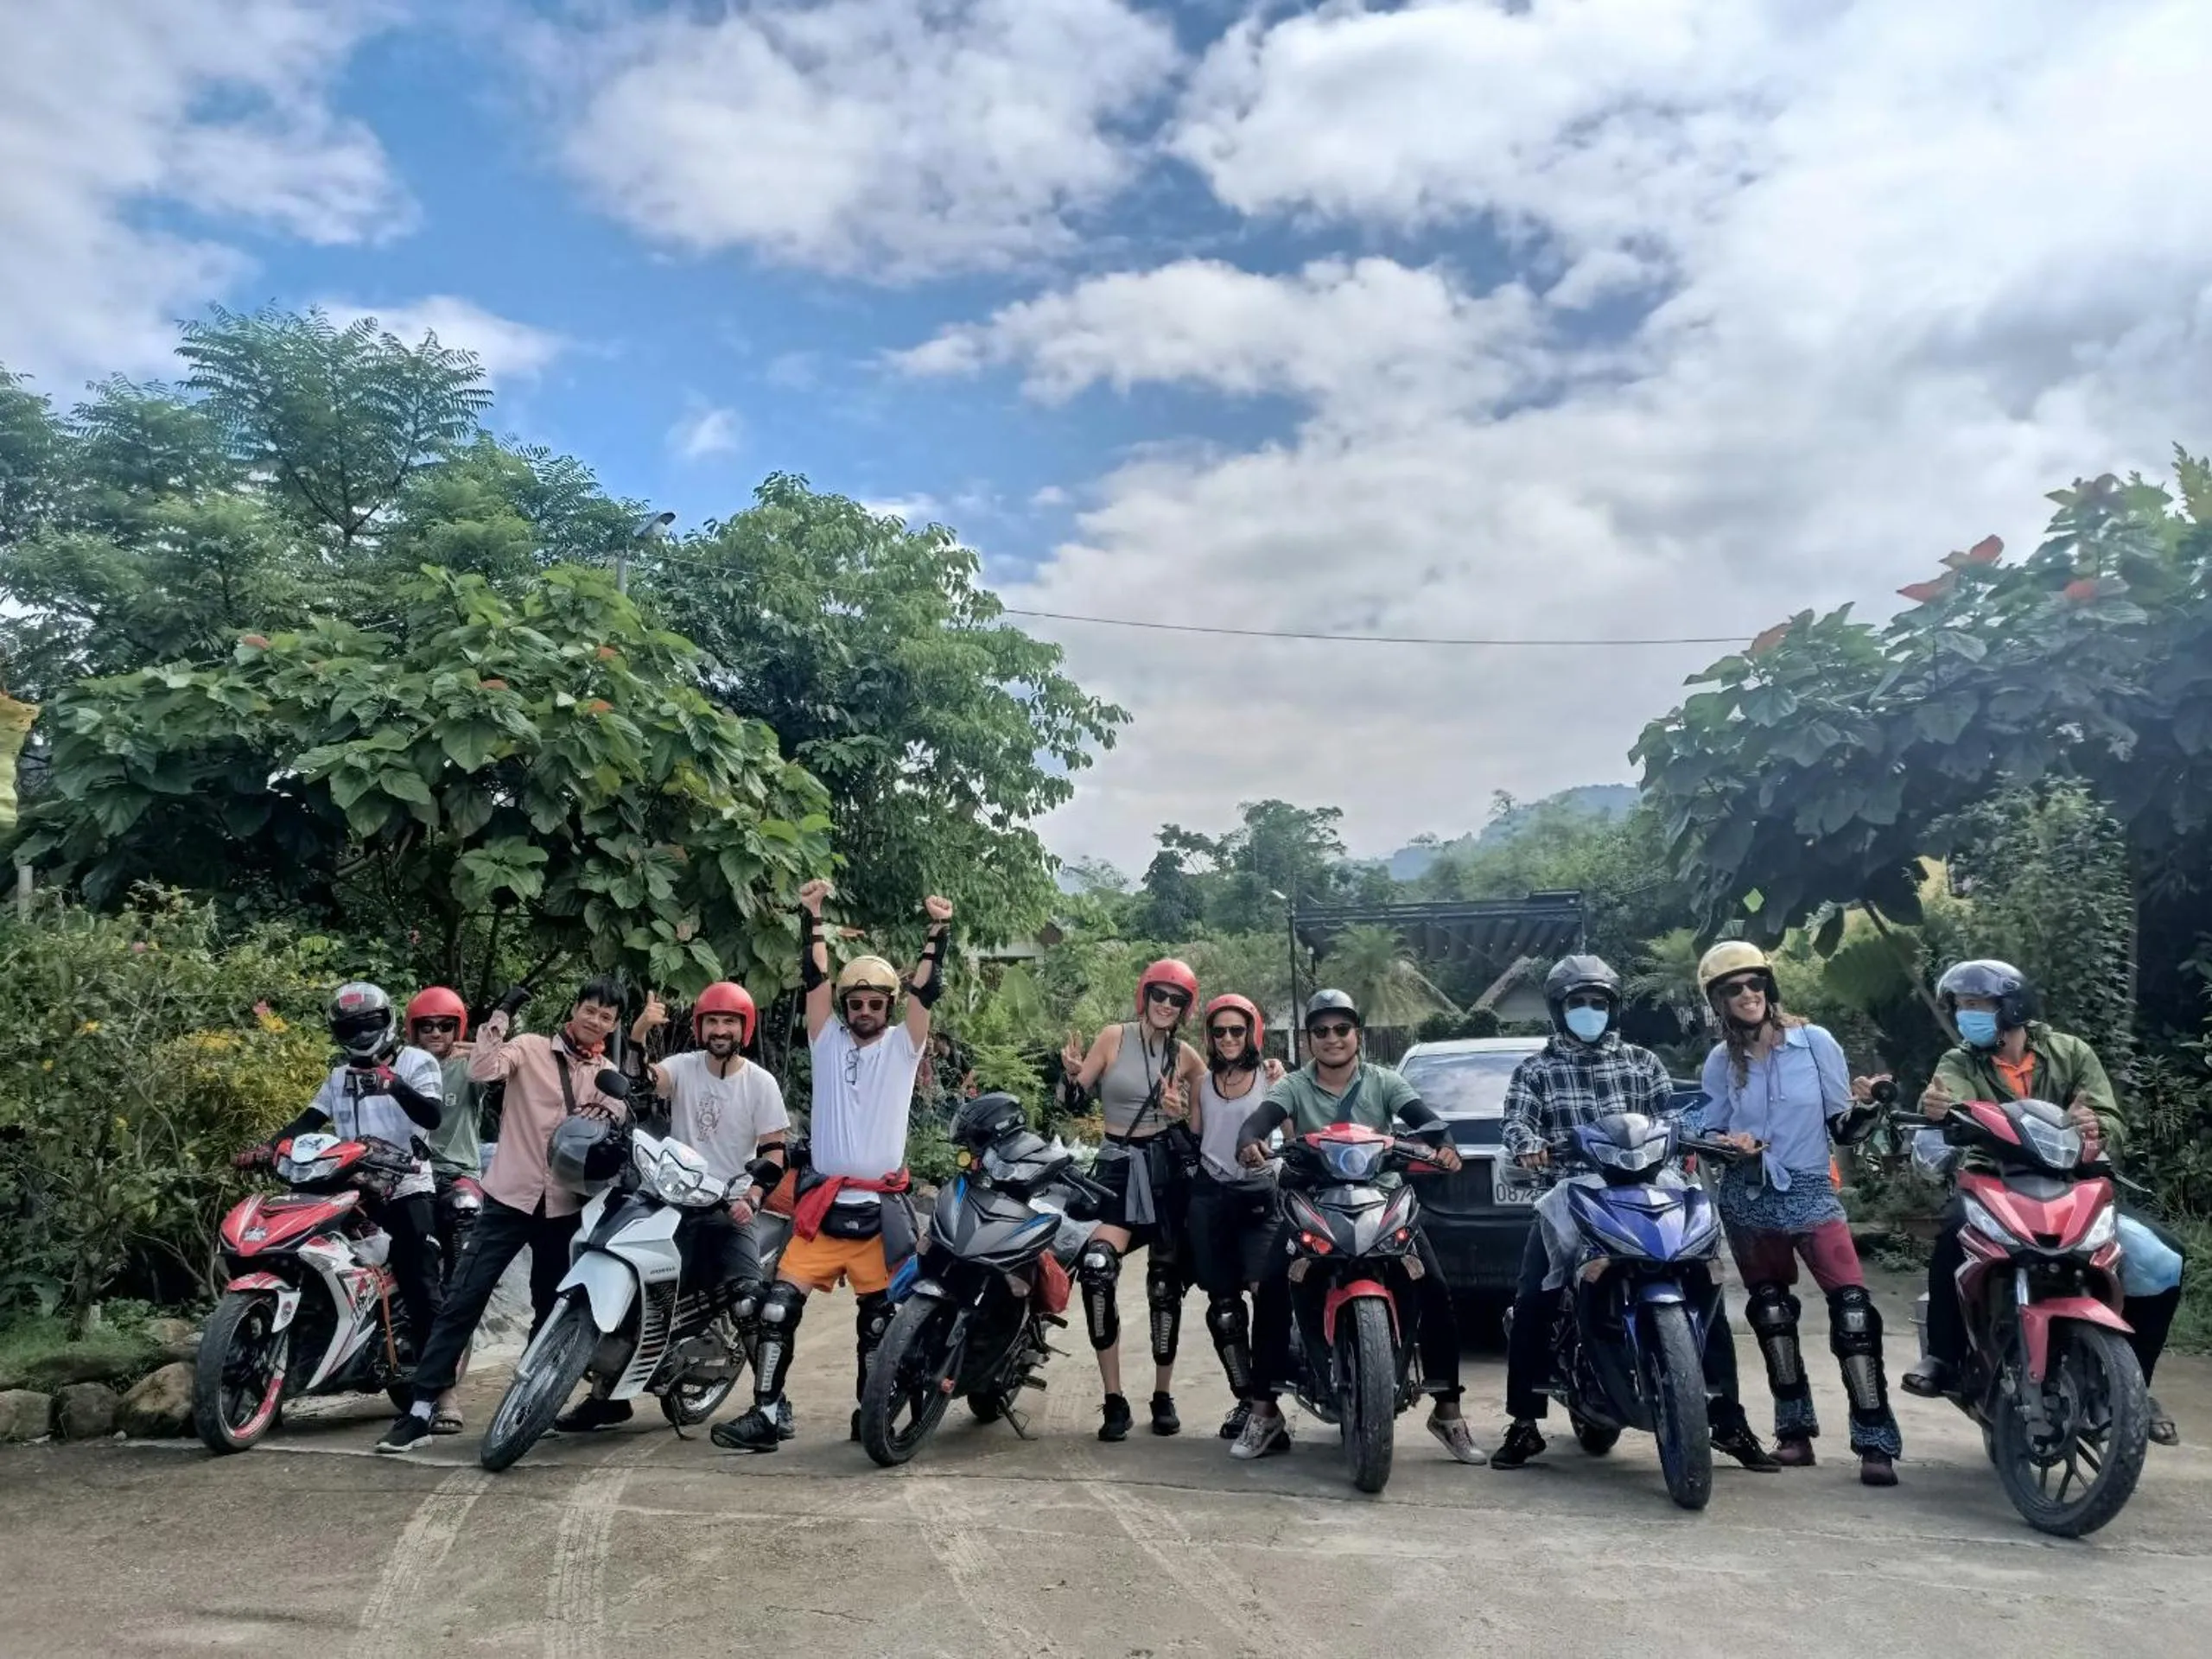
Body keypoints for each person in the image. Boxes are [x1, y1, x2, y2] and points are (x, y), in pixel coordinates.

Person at [1489, 955, 1779, 1473]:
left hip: (1653, 1186)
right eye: (1577, 1003)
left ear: (1613, 1007)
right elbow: (1515, 1123)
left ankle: (1729, 1420)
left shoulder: (1643, 1062)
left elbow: (1672, 1116)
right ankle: (1525, 1423)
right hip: (1573, 1190)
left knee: (1703, 1285)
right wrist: (1529, 1144)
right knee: (1535, 1295)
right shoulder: (1536, 1070)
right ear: (1559, 1010)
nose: (1589, 1011)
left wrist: (1712, 1139)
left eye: (1598, 1002)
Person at [712, 881, 951, 1452]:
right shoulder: (827, 1041)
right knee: (773, 1310)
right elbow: (815, 980)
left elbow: (927, 991)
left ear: (888, 1009)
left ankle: (872, 1412)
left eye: (875, 1004)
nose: (864, 1011)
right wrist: (812, 916)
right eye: (856, 1004)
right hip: (824, 1210)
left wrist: (937, 932)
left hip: (878, 1215)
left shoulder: (903, 1046)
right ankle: (767, 1414)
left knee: (878, 1326)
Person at [1904, 958, 2183, 1446]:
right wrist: (1943, 1112)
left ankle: (2136, 1383)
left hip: (2074, 1187)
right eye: (1963, 1006)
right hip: (1994, 1183)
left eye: (1978, 1006)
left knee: (2164, 1261)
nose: (1968, 1015)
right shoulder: (1959, 1062)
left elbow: (2110, 1117)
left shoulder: (2070, 1052)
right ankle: (1943, 1358)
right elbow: (1956, 1107)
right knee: (1953, 1238)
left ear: (2012, 1008)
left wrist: (2097, 1125)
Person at [1230, 988, 1486, 1466]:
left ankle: (1448, 1411)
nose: (1332, 1039)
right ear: (1309, 1041)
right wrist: (1249, 1142)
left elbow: (1427, 1123)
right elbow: (1259, 1122)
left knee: (1435, 1291)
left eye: (1341, 1029)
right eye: (1321, 1031)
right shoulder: (1293, 1087)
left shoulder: (1385, 1082)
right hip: (1311, 1203)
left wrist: (1444, 1145)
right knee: (1270, 1292)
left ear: (1357, 1036)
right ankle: (1265, 1411)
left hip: (1383, 1201)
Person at [376, 977, 628, 1453]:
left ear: (612, 1027)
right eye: (590, 1010)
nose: (595, 1021)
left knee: (550, 1309)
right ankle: (422, 1408)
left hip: (564, 1207)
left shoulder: (607, 1074)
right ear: (574, 1009)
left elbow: (610, 1130)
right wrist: (502, 1012)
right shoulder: (530, 1048)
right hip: (509, 1199)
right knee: (463, 1301)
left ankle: (528, 1403)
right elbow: (482, 1070)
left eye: (606, 1017)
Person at [1692, 943, 1903, 1485]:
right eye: (1733, 988)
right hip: (1748, 1194)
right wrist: (1727, 1142)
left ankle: (1875, 1439)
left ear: (1770, 987)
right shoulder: (1720, 1062)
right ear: (1718, 1000)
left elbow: (1842, 1127)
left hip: (1809, 1187)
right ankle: (1794, 1433)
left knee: (1853, 1311)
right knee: (1771, 1314)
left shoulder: (1815, 1045)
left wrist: (1870, 1108)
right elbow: (1711, 1130)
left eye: (1755, 983)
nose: (1747, 995)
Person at [553, 980, 791, 1437]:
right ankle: (608, 1398)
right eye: (712, 1021)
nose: (720, 1030)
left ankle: (773, 1404)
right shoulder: (683, 1066)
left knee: (747, 1301)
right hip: (669, 1195)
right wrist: (639, 1034)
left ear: (744, 1028)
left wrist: (753, 1196)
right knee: (628, 1280)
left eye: (729, 1021)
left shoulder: (760, 1084)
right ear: (700, 1027)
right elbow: (642, 1083)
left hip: (726, 1206)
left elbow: (775, 1150)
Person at [246, 982, 445, 1419]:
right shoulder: (338, 1076)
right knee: (300, 1254)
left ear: (387, 1021)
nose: (359, 1036)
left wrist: (392, 1084)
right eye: (349, 1029)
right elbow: (308, 1121)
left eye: (368, 1026)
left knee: (420, 1281)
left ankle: (439, 1395)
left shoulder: (418, 1061)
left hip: (406, 1184)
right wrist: (267, 1147)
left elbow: (432, 1114)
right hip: (346, 1185)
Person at [1058, 960, 1208, 1440]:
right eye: (1159, 995)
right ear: (1145, 996)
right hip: (1118, 1168)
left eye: (1176, 1000)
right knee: (1098, 1268)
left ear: (1185, 1008)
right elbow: (1074, 1102)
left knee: (1165, 1286)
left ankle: (1163, 1394)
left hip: (1165, 1172)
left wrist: (1178, 1113)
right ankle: (1113, 1399)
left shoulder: (1187, 1058)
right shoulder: (1112, 1037)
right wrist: (1070, 1076)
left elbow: (1204, 1129)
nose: (1166, 1005)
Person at [1184, 994, 1286, 1441]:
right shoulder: (1202, 1083)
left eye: (1237, 1031)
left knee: (1267, 1299)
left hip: (1261, 1197)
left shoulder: (1272, 1078)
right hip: (1211, 1197)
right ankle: (1246, 1400)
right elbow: (1196, 1136)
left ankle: (1271, 1400)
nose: (1228, 1038)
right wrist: (1172, 1115)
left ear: (1252, 1033)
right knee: (1224, 1309)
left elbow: (1295, 1136)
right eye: (1219, 1031)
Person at [405, 985, 490, 1435]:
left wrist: (472, 1041)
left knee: (455, 1280)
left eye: (444, 1026)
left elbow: (497, 1059)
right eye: (426, 1026)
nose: (435, 1034)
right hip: (402, 1176)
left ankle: (445, 1392)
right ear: (412, 1030)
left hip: (456, 1176)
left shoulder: (469, 1069)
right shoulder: (398, 1068)